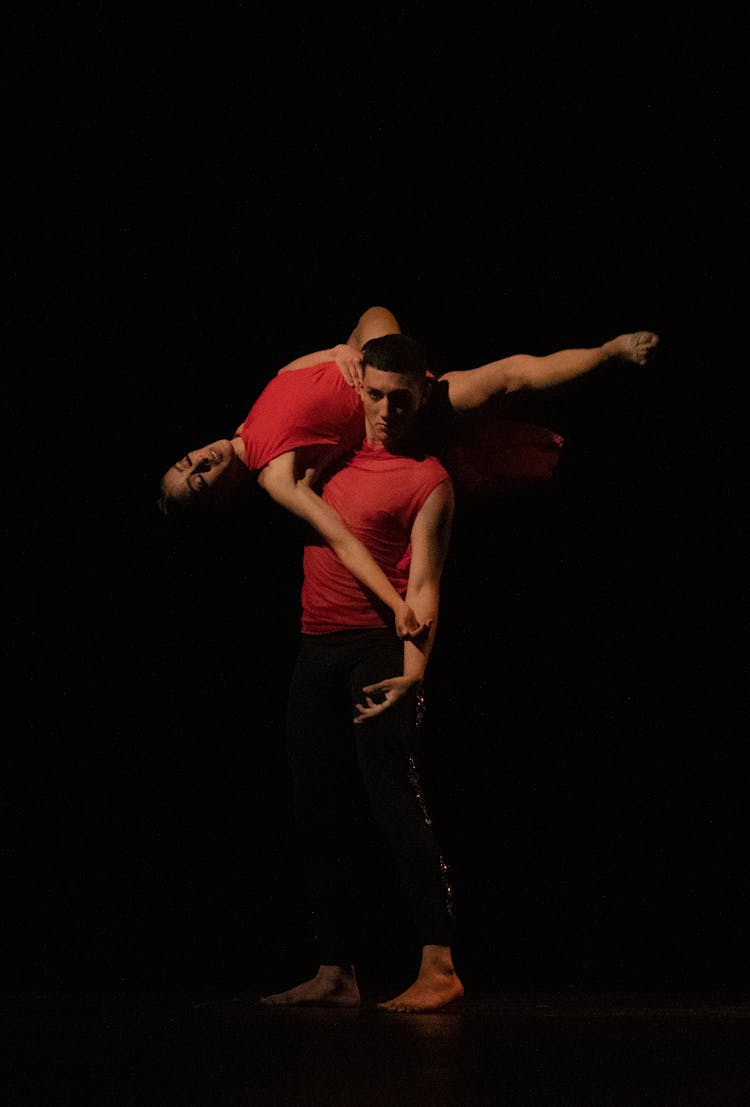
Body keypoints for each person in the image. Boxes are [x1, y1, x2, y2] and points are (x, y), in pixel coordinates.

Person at [159, 306, 658, 627]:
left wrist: (340, 351)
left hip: (383, 371)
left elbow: (317, 363)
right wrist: (399, 607)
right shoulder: (276, 477)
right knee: (507, 377)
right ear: (221, 498)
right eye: (199, 481)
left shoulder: (249, 420)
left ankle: (401, 374)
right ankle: (608, 351)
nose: (200, 461)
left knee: (375, 313)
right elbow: (342, 539)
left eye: (186, 461)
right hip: (398, 408)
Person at [259, 332, 463, 1012]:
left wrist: (415, 672)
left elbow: (426, 585)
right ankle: (335, 969)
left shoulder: (429, 478)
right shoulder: (331, 450)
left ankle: (439, 964)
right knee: (314, 803)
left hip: (379, 647)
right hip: (315, 646)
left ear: (423, 394)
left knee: (392, 796)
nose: (384, 410)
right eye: (374, 395)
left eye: (399, 399)